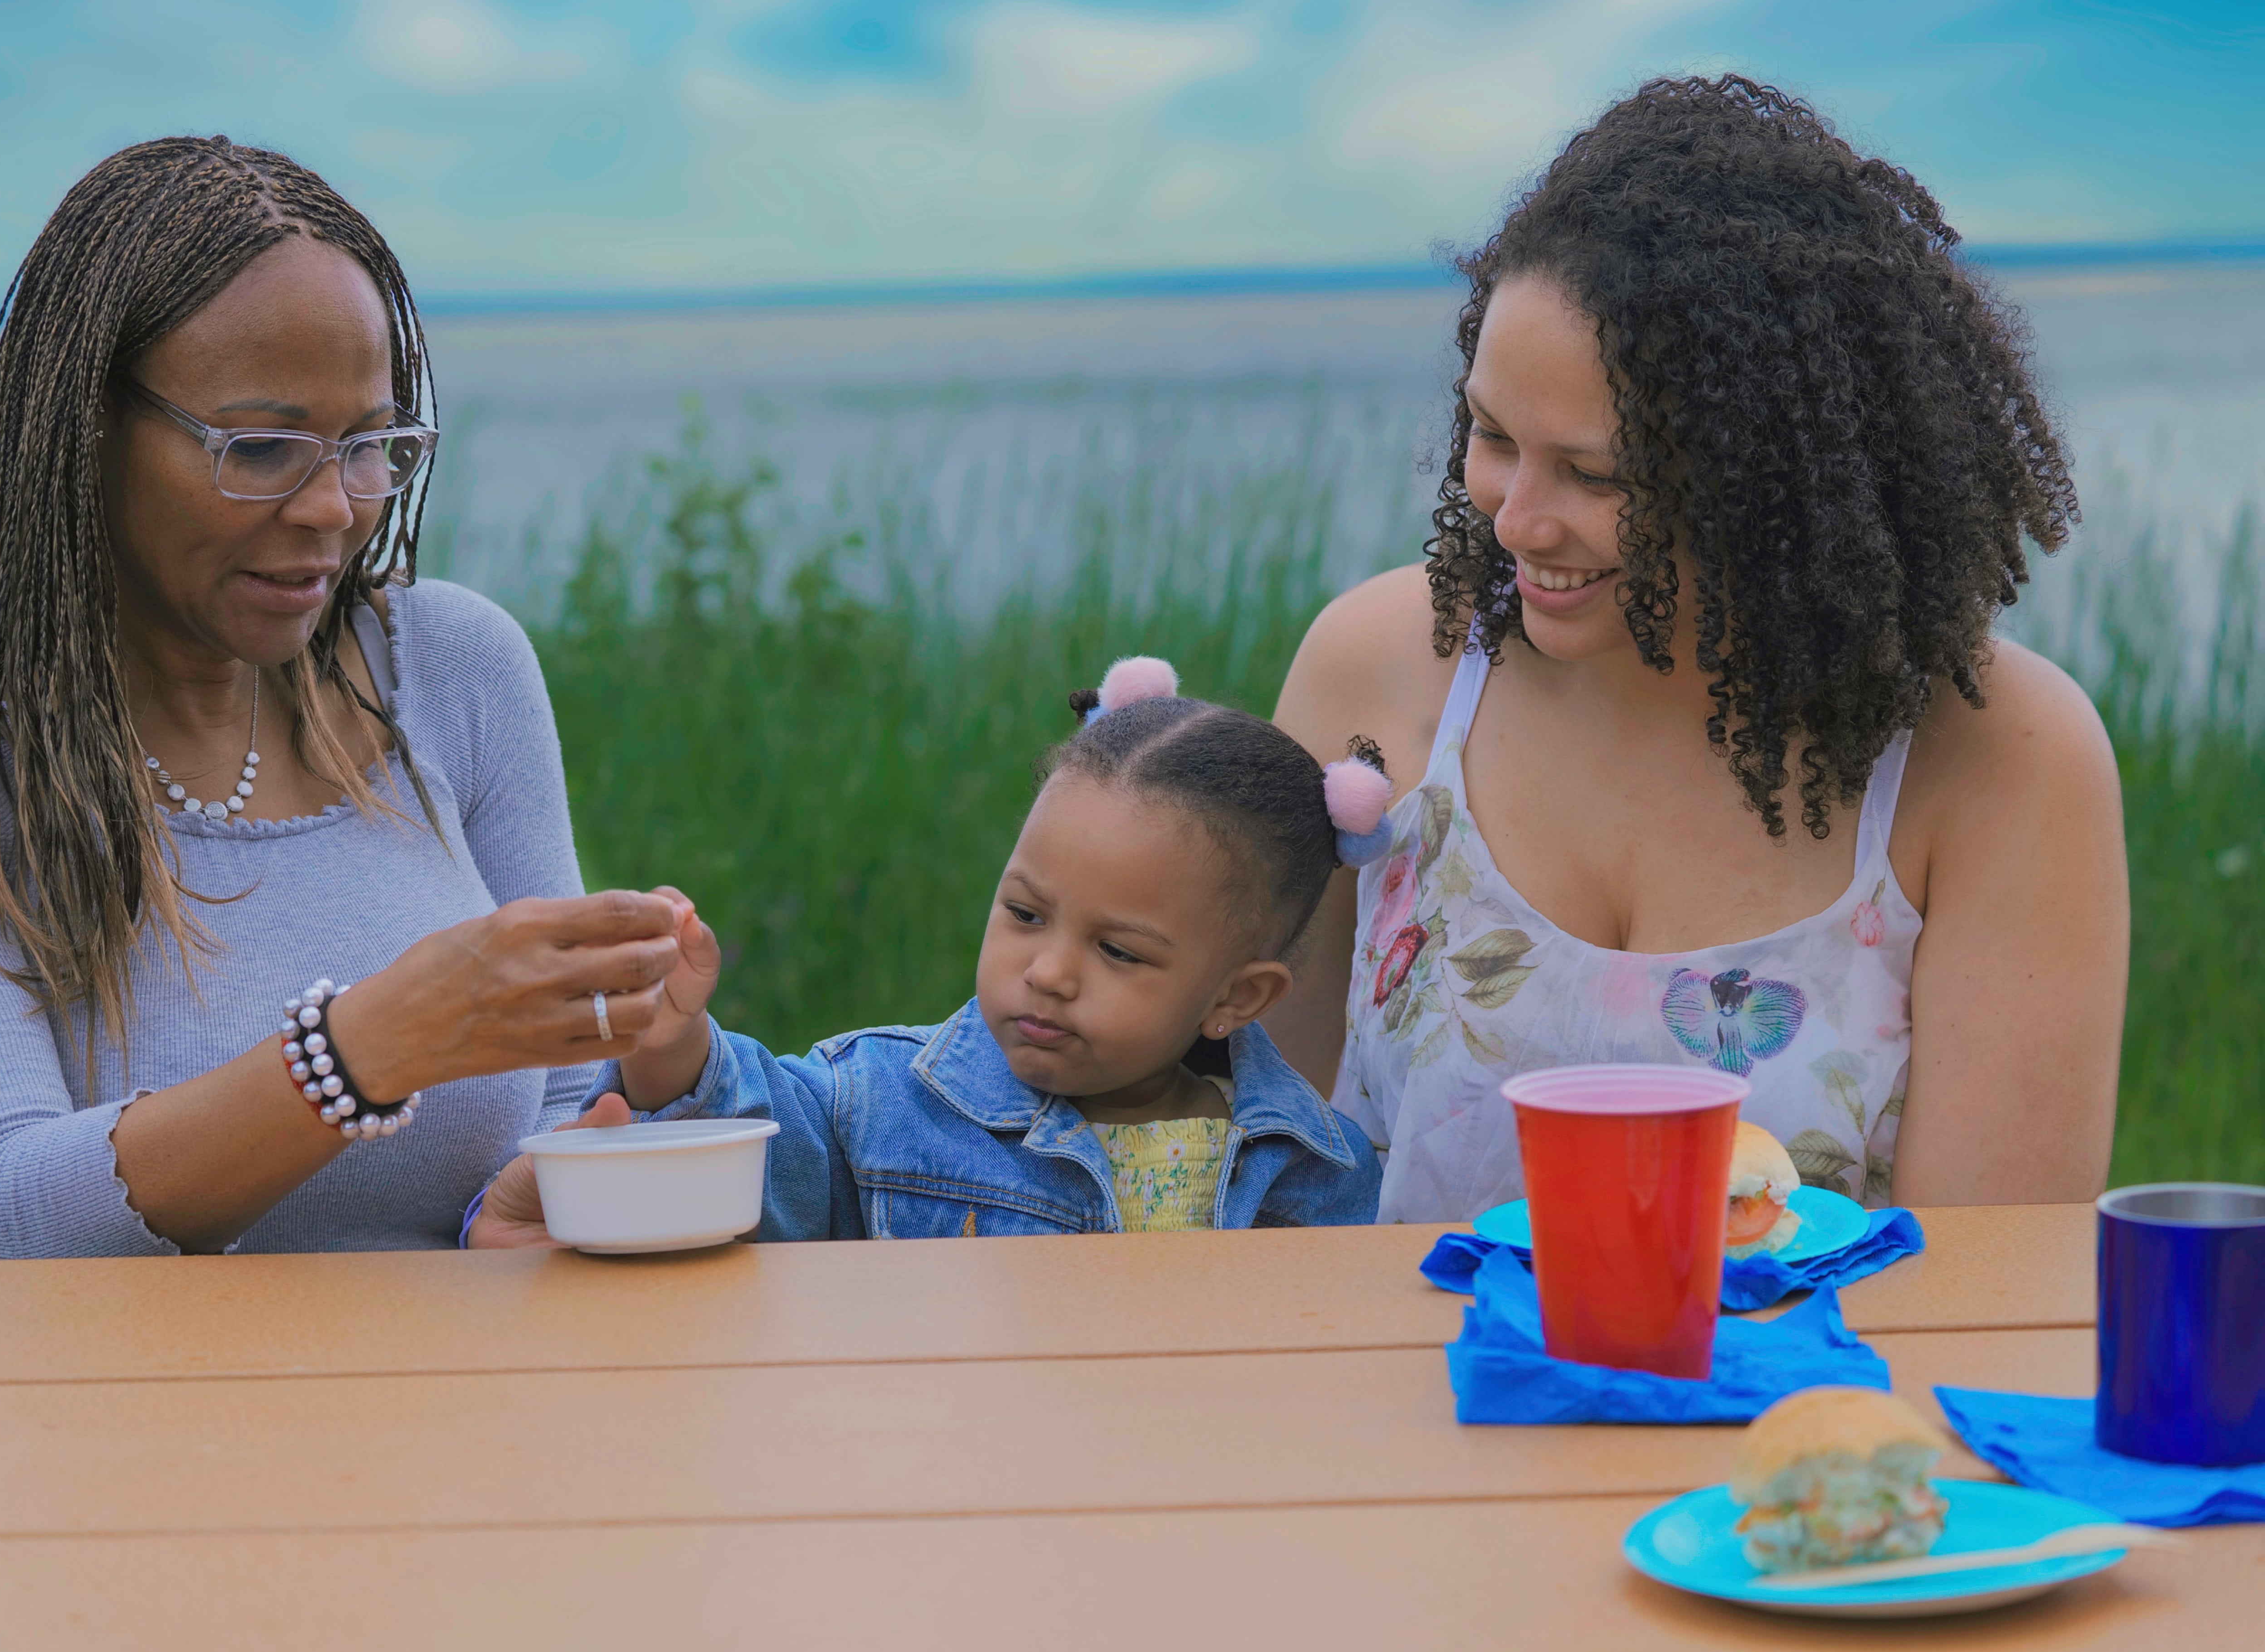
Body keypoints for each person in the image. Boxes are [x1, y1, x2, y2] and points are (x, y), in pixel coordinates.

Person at [0, 136, 685, 1258]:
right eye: (264, 447)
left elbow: (563, 1098)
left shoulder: (453, 667)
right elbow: (1, 1207)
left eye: (372, 445)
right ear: (88, 429)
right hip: (85, 1429)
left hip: (457, 1414)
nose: (334, 507)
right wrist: (360, 1048)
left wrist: (522, 1196)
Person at [1262, 76, 2126, 1222]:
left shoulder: (2002, 756)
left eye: (1596, 473)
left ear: (1779, 477)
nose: (1515, 519)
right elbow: (1237, 1151)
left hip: (1820, 1405)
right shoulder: (1377, 666)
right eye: (1493, 434)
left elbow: (1993, 1297)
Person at [467, 659, 1391, 1246]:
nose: (1050, 969)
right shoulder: (885, 1104)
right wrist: (672, 1044)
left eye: (1117, 949)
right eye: (1026, 912)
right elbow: (767, 1154)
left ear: (1237, 995)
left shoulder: (1318, 1170)